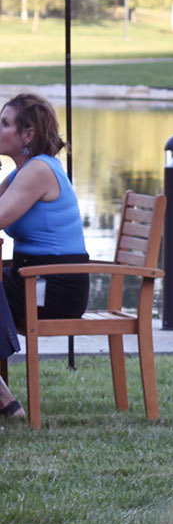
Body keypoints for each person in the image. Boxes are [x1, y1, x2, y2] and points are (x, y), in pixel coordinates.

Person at [0, 94, 88, 419]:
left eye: (5, 123)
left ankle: (6, 402)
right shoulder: (21, 172)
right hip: (28, 279)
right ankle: (6, 401)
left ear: (28, 134)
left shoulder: (38, 170)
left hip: (53, 287)